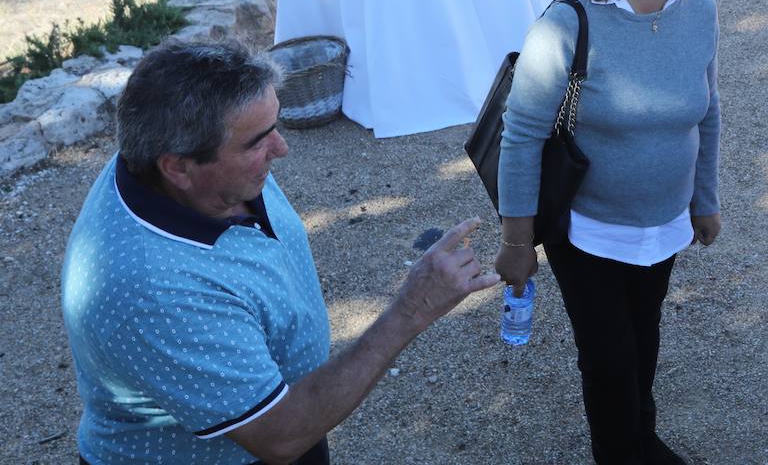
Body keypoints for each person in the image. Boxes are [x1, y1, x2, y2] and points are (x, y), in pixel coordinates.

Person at [61, 40, 497, 465]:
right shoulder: (153, 290)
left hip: (286, 410)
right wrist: (411, 309)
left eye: (275, 126)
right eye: (257, 141)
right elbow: (279, 437)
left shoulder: (190, 168)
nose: (282, 149)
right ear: (177, 167)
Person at [494, 0, 720, 465]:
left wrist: (705, 198)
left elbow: (708, 112)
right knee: (609, 358)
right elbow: (521, 136)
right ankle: (622, 454)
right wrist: (518, 241)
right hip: (587, 227)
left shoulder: (700, 10)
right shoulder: (568, 21)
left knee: (643, 344)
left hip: (663, 223)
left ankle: (641, 442)